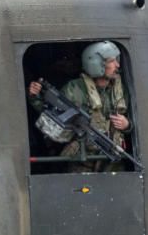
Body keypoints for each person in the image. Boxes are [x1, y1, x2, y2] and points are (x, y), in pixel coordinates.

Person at [28, 41, 132, 171]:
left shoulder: (120, 91)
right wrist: (35, 97)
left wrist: (127, 125)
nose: (117, 65)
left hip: (112, 159)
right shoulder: (75, 89)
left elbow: (136, 122)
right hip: (82, 159)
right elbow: (52, 115)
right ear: (96, 63)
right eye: (111, 61)